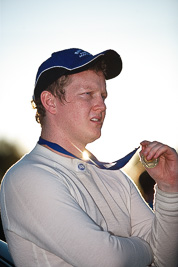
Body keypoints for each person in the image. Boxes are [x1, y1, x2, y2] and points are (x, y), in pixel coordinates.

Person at [0, 48, 178, 267]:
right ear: (50, 102)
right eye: (88, 94)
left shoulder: (116, 178)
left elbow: (167, 261)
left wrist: (169, 187)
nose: (102, 106)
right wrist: (147, 249)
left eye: (103, 96)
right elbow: (109, 261)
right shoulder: (26, 178)